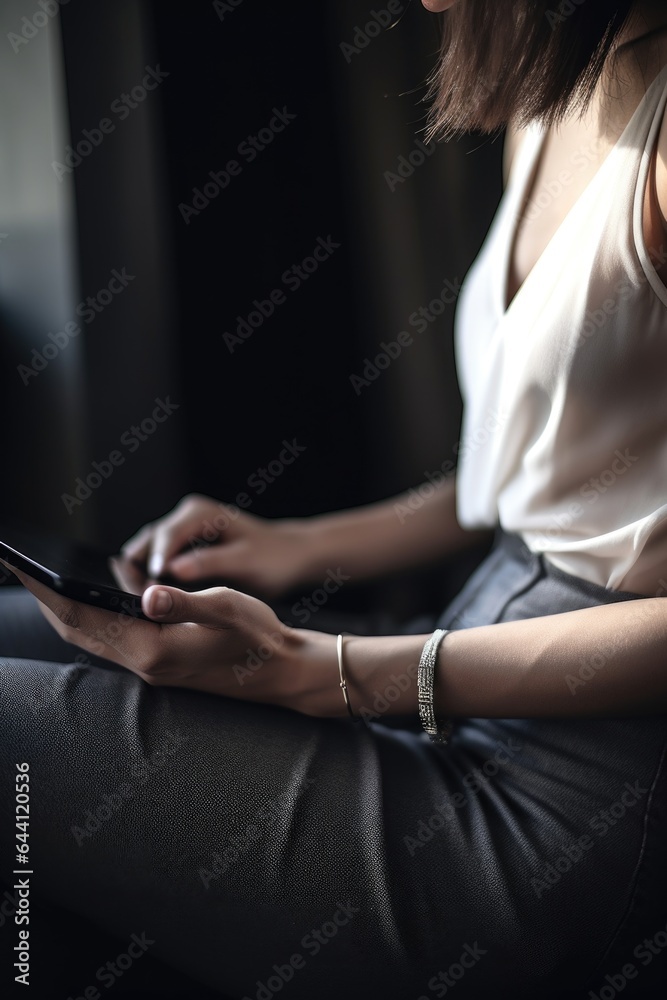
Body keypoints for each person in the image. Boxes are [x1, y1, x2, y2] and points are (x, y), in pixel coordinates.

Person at [2, 1, 667, 997]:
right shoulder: (553, 90)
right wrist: (297, 546)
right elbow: (546, 472)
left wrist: (334, 672)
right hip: (462, 653)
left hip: (558, 806)